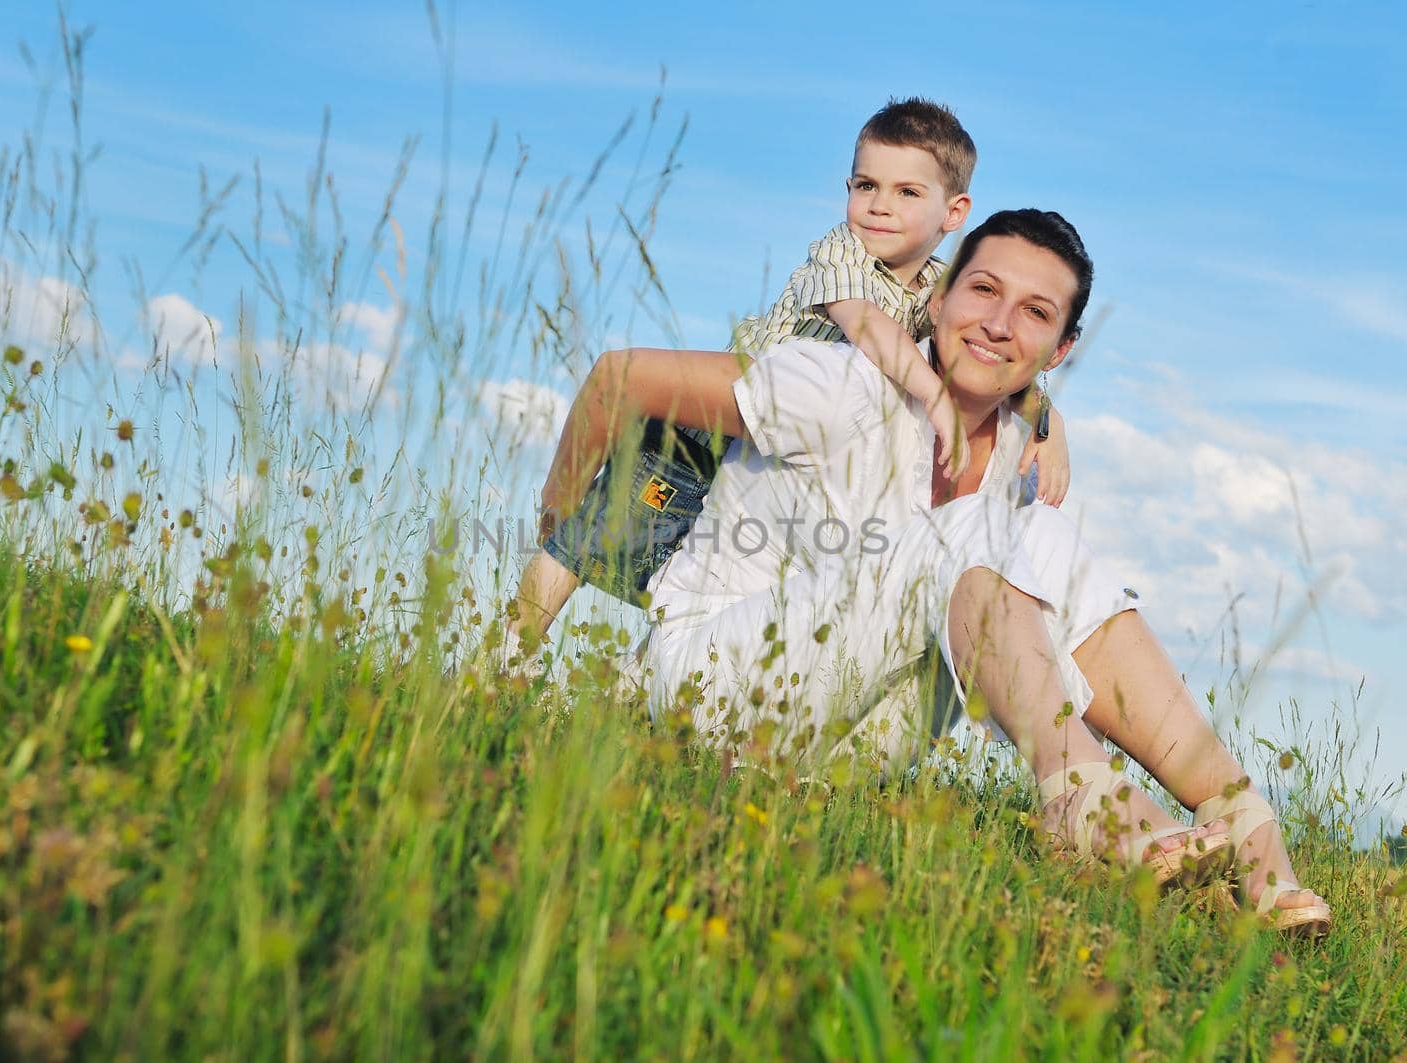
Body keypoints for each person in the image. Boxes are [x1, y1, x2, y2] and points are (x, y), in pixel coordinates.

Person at [533, 208, 1332, 935]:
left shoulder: (1024, 443)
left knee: (1041, 539)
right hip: (711, 694)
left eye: (1034, 312)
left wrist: (1040, 420)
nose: (996, 323)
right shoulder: (843, 382)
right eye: (981, 290)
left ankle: (1256, 842)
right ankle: (1085, 803)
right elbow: (619, 376)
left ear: (1061, 349)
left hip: (850, 745)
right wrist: (558, 511)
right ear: (941, 295)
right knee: (968, 533)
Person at [505, 98, 1073, 654]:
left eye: (907, 192)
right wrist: (935, 398)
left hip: (771, 466)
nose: (879, 206)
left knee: (699, 579)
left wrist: (1047, 426)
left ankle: (642, 694)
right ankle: (506, 655)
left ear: (954, 212)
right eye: (865, 185)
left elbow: (976, 349)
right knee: (587, 540)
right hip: (708, 432)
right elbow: (868, 325)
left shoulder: (940, 286)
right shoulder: (841, 253)